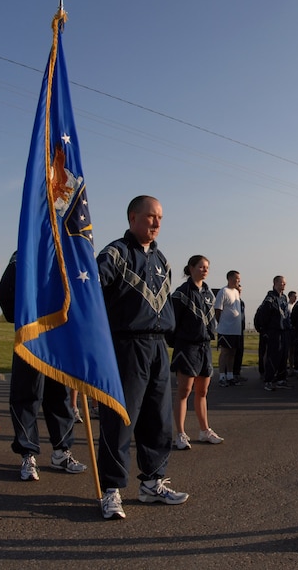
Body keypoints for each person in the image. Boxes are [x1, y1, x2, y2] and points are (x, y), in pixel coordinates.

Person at [97, 195, 188, 520]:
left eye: (160, 218)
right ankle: (110, 490)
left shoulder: (162, 259)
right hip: (126, 347)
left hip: (158, 348)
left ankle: (152, 482)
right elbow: (92, 286)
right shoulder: (115, 253)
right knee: (121, 420)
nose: (156, 223)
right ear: (133, 217)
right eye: (150, 217)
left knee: (158, 420)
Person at [0, 252, 87, 481]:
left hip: (59, 336)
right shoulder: (24, 251)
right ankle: (28, 453)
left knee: (60, 396)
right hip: (31, 335)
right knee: (26, 395)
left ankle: (62, 451)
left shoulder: (68, 250)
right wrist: (21, 318)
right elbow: (5, 291)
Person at [170, 254, 223, 450]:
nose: (205, 270)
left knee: (202, 391)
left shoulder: (209, 293)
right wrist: (179, 341)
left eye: (207, 267)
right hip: (187, 347)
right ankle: (181, 434)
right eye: (201, 266)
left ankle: (204, 430)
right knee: (184, 391)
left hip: (204, 347)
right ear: (191, 268)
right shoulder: (181, 293)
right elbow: (172, 322)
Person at [255, 275, 292, 391]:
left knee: (283, 356)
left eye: (285, 283)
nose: (284, 285)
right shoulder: (270, 299)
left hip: (284, 331)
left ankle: (281, 379)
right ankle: (268, 380)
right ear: (275, 283)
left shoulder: (284, 297)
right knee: (273, 356)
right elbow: (264, 316)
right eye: (282, 283)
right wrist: (265, 331)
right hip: (274, 332)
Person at [214, 270, 243, 387]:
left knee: (232, 352)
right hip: (225, 329)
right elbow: (218, 310)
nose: (239, 281)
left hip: (236, 330)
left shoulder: (236, 292)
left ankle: (230, 375)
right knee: (225, 352)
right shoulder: (223, 291)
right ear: (230, 279)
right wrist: (221, 323)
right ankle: (222, 376)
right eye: (237, 278)